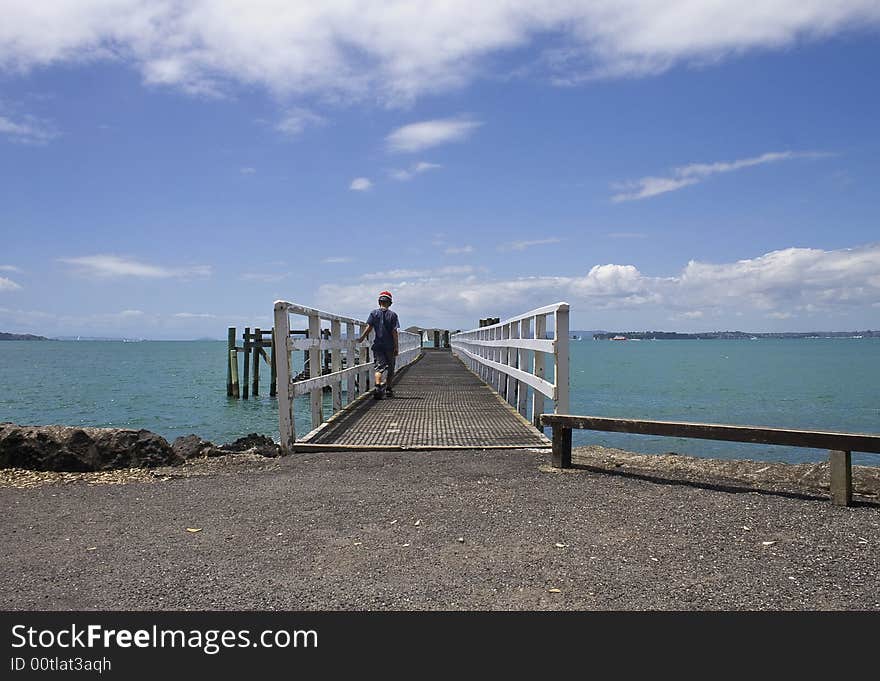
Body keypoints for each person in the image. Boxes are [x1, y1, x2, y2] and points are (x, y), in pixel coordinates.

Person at [357, 290, 399, 399]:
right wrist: (396, 346)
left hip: (378, 345)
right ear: (390, 303)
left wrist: (361, 338)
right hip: (389, 346)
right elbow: (394, 332)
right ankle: (389, 390)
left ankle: (377, 387)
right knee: (390, 368)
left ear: (379, 302)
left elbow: (369, 327)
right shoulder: (393, 315)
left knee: (379, 368)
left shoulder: (374, 313)